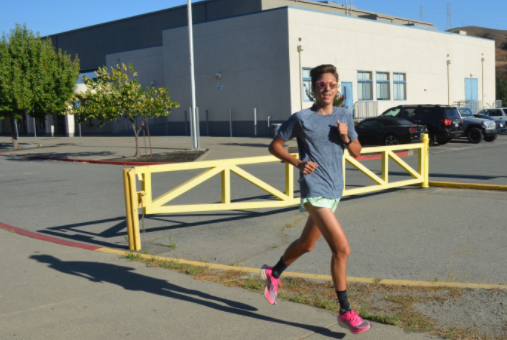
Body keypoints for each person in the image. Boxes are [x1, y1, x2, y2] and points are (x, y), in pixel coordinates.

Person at [260, 64, 371, 334]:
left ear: (337, 88)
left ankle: (273, 273)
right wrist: (297, 162)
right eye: (322, 85)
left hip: (334, 190)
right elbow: (275, 145)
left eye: (332, 85)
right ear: (313, 88)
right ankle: (345, 311)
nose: (327, 89)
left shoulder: (344, 114)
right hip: (313, 188)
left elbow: (357, 151)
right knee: (342, 249)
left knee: (306, 245)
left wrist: (345, 137)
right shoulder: (301, 118)